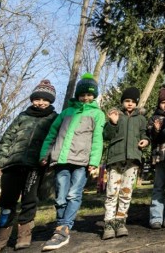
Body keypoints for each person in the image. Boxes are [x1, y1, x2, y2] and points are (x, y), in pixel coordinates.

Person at [0, 80, 58, 253]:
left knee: (29, 200)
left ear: (51, 101)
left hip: (35, 166)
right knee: (7, 201)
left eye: (45, 99)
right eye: (37, 98)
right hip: (12, 164)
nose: (41, 102)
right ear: (32, 99)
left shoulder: (54, 118)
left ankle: (24, 235)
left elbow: (55, 141)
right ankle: (1, 238)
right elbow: (6, 139)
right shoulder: (22, 116)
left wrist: (49, 159)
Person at [39, 73, 106, 251]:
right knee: (61, 196)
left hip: (82, 161)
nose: (86, 98)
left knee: (73, 194)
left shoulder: (97, 114)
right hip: (61, 159)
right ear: (77, 95)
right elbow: (52, 134)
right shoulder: (66, 113)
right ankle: (61, 225)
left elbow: (98, 139)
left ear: (94, 96)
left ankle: (63, 228)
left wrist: (94, 161)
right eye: (82, 94)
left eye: (89, 95)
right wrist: (45, 154)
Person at [101, 87, 149, 240]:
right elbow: (106, 135)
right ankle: (109, 224)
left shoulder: (141, 119)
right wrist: (112, 123)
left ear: (136, 103)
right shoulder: (116, 115)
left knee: (126, 192)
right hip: (115, 158)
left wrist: (146, 141)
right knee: (111, 193)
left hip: (133, 159)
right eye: (127, 101)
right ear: (122, 102)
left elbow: (144, 134)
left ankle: (121, 222)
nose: (129, 104)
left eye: (132, 101)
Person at [146, 87, 165, 230]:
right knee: (158, 187)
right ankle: (156, 217)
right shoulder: (154, 118)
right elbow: (152, 136)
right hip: (159, 157)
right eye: (163, 102)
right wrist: (156, 130)